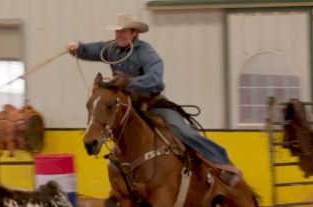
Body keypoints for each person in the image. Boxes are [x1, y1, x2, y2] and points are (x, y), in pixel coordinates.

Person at [66, 13, 236, 171]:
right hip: (128, 108)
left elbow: (155, 79)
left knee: (183, 131)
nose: (120, 35)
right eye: (118, 32)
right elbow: (93, 50)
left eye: (124, 31)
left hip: (152, 105)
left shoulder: (145, 52)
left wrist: (130, 82)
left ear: (134, 33)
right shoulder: (111, 49)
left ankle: (222, 162)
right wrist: (78, 48)